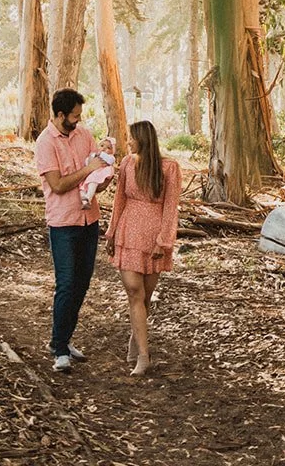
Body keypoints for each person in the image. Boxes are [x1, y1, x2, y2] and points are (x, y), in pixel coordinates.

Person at [34, 88, 110, 374]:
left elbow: (95, 175)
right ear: (60, 114)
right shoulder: (45, 143)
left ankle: (63, 339)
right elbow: (58, 185)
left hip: (89, 220)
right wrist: (88, 169)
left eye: (80, 116)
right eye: (74, 116)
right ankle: (59, 348)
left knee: (82, 284)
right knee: (66, 284)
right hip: (63, 223)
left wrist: (101, 177)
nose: (78, 121)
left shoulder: (85, 135)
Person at [105, 119, 181, 376]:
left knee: (145, 297)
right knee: (134, 292)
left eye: (130, 137)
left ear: (143, 139)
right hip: (128, 233)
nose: (127, 142)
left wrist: (164, 240)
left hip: (153, 238)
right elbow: (119, 200)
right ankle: (144, 357)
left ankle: (136, 338)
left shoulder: (169, 168)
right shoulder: (127, 163)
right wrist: (111, 232)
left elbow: (171, 207)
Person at [79, 136, 116, 206]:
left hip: (101, 173)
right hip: (92, 173)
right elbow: (87, 162)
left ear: (112, 151)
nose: (104, 148)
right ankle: (84, 201)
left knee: (93, 183)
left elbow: (111, 161)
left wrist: (101, 154)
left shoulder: (110, 157)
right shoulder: (94, 154)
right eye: (102, 145)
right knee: (82, 187)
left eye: (108, 148)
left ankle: (88, 198)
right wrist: (91, 158)